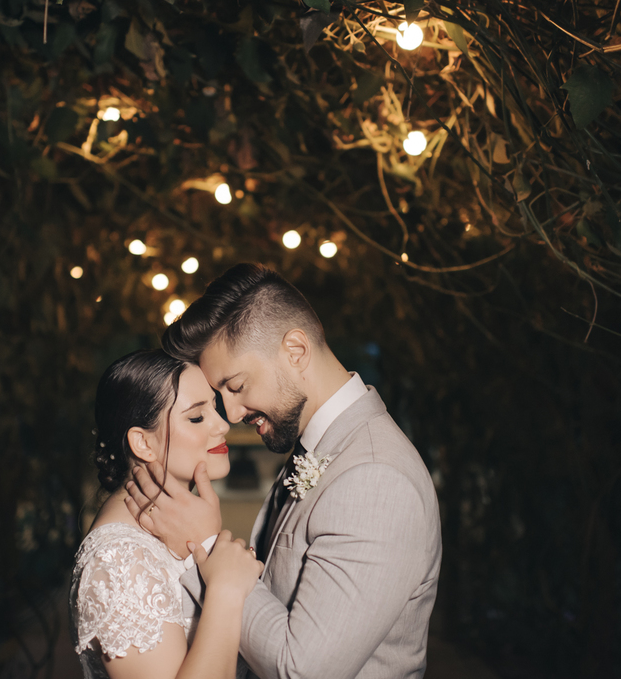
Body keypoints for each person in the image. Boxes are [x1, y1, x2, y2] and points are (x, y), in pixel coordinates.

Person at [125, 263, 443, 679]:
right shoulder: (323, 448)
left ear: (295, 351)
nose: (233, 413)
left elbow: (302, 670)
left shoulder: (377, 478)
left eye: (236, 387)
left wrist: (203, 545)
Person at [69, 350, 263, 679]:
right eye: (197, 417)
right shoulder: (119, 561)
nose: (222, 424)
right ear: (143, 443)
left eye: (214, 408)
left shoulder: (176, 525)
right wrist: (226, 587)